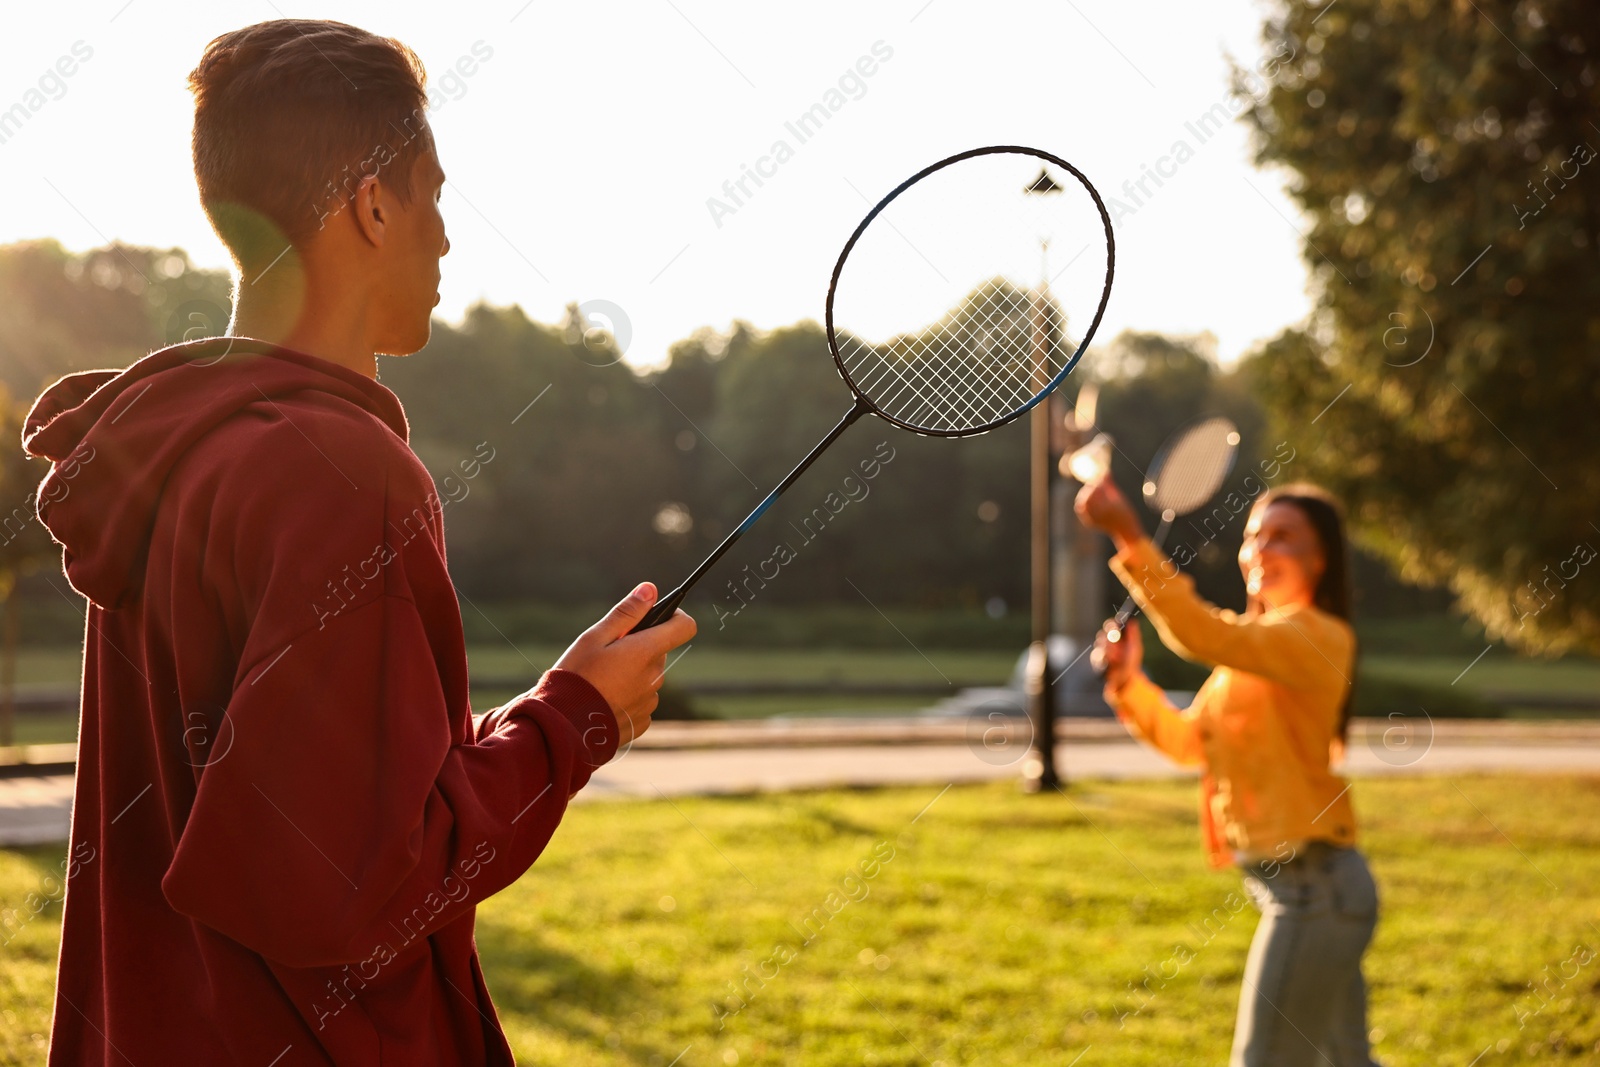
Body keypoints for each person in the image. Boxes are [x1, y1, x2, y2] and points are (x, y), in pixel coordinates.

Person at [22, 19, 695, 1066]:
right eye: (433, 196)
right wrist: (575, 723)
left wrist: (533, 714)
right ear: (374, 204)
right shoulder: (347, 475)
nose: (445, 237)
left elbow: (289, 790)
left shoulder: (172, 455)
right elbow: (354, 889)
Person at [1075, 477, 1379, 1067]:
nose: (1260, 550)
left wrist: (1127, 534)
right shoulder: (1249, 659)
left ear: (1321, 560)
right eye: (1253, 536)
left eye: (1283, 537)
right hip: (1313, 892)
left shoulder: (1318, 636)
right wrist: (1126, 682)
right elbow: (1191, 743)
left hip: (1315, 892)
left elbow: (1203, 632)